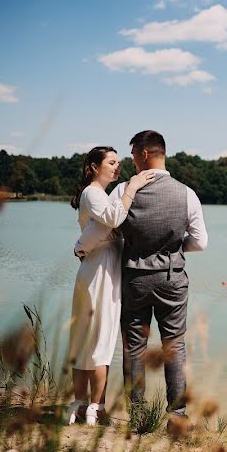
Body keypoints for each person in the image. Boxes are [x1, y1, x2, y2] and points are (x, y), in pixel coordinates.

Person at [78, 130, 208, 422]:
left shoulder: (125, 188)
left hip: (135, 278)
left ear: (144, 154)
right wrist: (174, 250)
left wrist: (81, 247)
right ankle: (177, 414)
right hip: (172, 278)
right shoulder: (187, 193)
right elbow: (200, 242)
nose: (131, 162)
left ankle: (137, 415)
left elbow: (105, 226)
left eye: (134, 155)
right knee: (174, 344)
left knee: (133, 345)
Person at [67, 146, 155, 425]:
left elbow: (102, 227)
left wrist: (82, 245)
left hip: (97, 266)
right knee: (100, 338)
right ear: (93, 166)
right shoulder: (93, 193)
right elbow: (114, 219)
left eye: (119, 162)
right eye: (112, 162)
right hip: (101, 270)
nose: (118, 167)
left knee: (84, 338)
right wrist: (134, 185)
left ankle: (81, 405)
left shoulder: (98, 194)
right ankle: (96, 407)